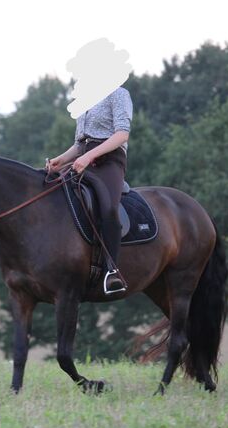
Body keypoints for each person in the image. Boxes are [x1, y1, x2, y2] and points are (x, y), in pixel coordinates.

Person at [46, 86, 133, 293]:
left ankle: (112, 271)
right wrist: (61, 160)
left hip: (109, 161)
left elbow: (122, 135)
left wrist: (89, 156)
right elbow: (80, 144)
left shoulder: (118, 93)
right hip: (82, 160)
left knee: (108, 208)